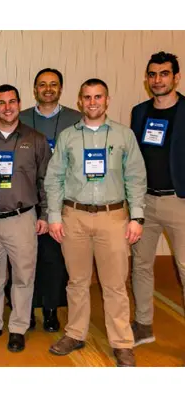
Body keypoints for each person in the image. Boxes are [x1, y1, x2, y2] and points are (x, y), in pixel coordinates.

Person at [45, 78, 147, 367]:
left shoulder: (123, 135)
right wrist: (54, 216)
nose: (92, 102)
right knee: (76, 281)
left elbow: (136, 177)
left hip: (113, 218)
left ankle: (122, 342)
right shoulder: (67, 137)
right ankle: (75, 333)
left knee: (115, 284)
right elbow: (54, 178)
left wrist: (137, 217)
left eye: (98, 97)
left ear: (107, 100)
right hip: (74, 217)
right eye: (87, 97)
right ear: (80, 101)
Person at [0, 85, 51, 353]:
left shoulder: (36, 139)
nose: (7, 107)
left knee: (23, 276)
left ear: (19, 104)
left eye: (12, 102)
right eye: (1, 103)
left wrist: (45, 214)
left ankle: (18, 327)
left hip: (22, 218)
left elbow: (46, 180)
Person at [18, 68, 81, 331]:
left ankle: (52, 309)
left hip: (61, 200)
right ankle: (29, 308)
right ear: (35, 89)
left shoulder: (76, 119)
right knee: (26, 258)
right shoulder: (21, 118)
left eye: (53, 84)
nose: (48, 89)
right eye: (42, 84)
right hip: (27, 199)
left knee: (53, 258)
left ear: (61, 89)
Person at [131, 51, 185, 346]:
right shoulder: (140, 112)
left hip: (179, 202)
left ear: (176, 77)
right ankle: (143, 325)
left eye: (164, 74)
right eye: (152, 74)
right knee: (140, 265)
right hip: (145, 202)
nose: (158, 80)